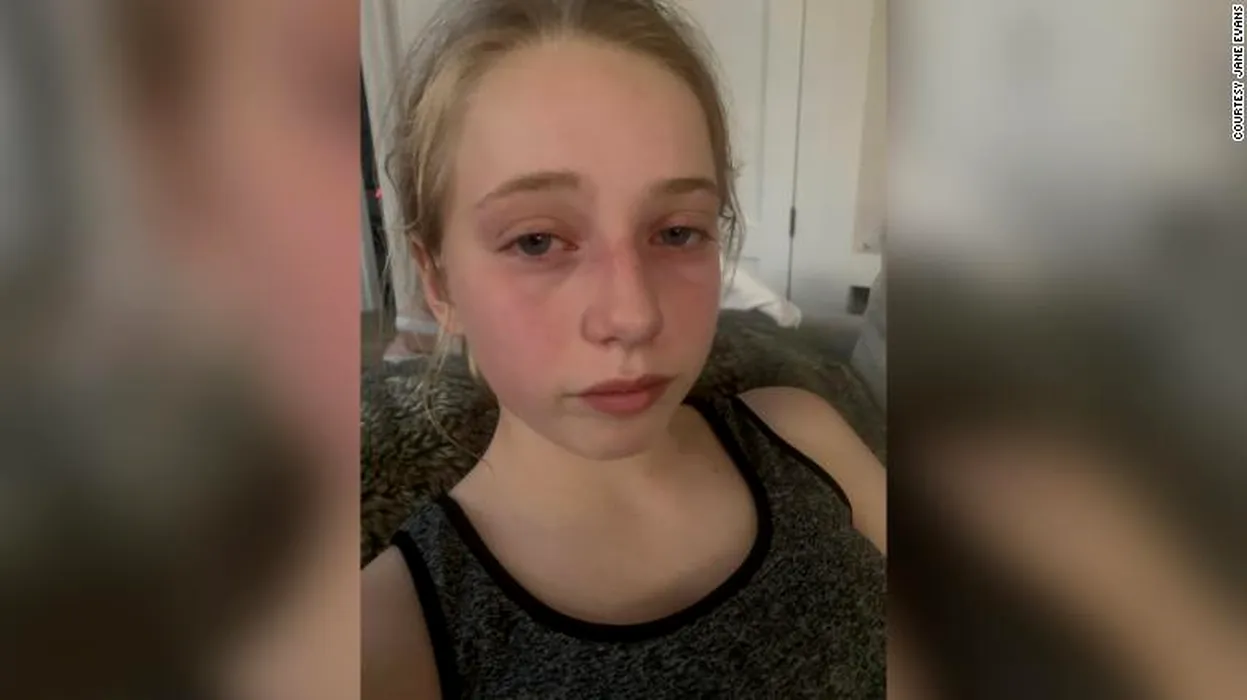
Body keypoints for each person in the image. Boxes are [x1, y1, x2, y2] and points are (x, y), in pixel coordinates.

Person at [361, 1, 886, 697]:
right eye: (536, 241)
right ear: (438, 281)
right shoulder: (387, 638)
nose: (633, 316)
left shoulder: (801, 431)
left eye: (676, 232)